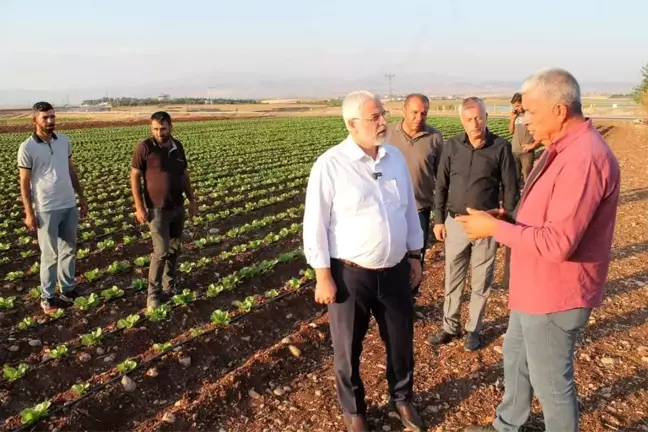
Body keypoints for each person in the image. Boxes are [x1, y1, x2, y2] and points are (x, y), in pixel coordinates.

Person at [459, 68, 620, 432]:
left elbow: (558, 243)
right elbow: (549, 218)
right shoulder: (563, 147)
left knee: (552, 386)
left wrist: (495, 229)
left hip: (555, 295)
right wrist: (510, 219)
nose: (524, 119)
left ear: (560, 110)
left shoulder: (585, 159)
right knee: (515, 358)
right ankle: (506, 426)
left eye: (531, 111)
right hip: (534, 289)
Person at [303, 91, 425, 432]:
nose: (383, 121)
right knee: (347, 348)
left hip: (396, 270)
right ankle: (354, 410)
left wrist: (415, 255)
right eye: (375, 117)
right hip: (349, 275)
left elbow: (409, 211)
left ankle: (402, 399)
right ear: (351, 124)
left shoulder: (395, 159)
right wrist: (322, 276)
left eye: (383, 114)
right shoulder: (330, 165)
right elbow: (315, 225)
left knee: (401, 340)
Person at [428, 97, 518, 351]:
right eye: (469, 119)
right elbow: (441, 186)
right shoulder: (452, 146)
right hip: (455, 223)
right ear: (462, 120)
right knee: (453, 278)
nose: (475, 123)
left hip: (486, 225)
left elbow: (511, 189)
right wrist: (438, 220)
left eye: (479, 117)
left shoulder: (501, 147)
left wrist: (505, 226)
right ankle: (449, 326)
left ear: (486, 117)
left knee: (481, 280)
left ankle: (473, 330)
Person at [17, 101, 89, 313]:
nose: (50, 121)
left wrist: (82, 197)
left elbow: (70, 170)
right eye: (45, 118)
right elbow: (24, 183)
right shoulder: (27, 148)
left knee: (69, 248)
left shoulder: (64, 141)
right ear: (35, 120)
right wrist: (29, 212)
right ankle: (47, 297)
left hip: (68, 203)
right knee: (49, 255)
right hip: (46, 207)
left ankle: (67, 289)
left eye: (52, 117)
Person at [130, 111, 198, 310]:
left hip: (177, 206)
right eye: (155, 129)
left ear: (170, 127)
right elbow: (134, 177)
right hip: (156, 209)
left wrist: (192, 200)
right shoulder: (145, 147)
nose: (159, 132)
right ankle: (153, 294)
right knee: (160, 252)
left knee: (174, 249)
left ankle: (170, 285)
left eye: (163, 129)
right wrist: (139, 206)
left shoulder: (178, 147)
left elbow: (184, 175)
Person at [386, 93, 444, 298]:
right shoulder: (387, 133)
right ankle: (389, 300)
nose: (419, 117)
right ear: (404, 110)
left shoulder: (435, 138)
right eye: (414, 112)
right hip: (389, 208)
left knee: (415, 257)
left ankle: (409, 301)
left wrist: (440, 215)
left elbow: (442, 178)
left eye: (423, 113)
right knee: (389, 255)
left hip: (420, 208)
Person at [508, 92, 541, 189]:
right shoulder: (516, 115)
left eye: (518, 105)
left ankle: (528, 199)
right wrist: (512, 119)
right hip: (514, 151)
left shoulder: (532, 115)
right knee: (514, 178)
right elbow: (511, 131)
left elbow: (540, 132)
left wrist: (533, 145)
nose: (516, 108)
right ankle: (516, 201)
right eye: (515, 106)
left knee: (528, 178)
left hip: (527, 153)